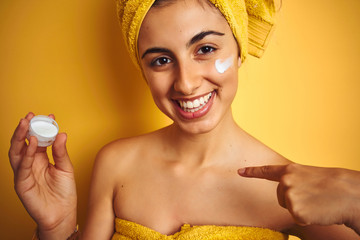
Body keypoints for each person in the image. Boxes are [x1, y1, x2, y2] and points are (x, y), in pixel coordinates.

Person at [8, 0, 360, 239]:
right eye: (160, 60)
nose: (186, 82)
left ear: (238, 50)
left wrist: (357, 199)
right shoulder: (115, 164)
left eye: (205, 49)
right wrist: (56, 228)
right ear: (142, 69)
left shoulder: (291, 191)